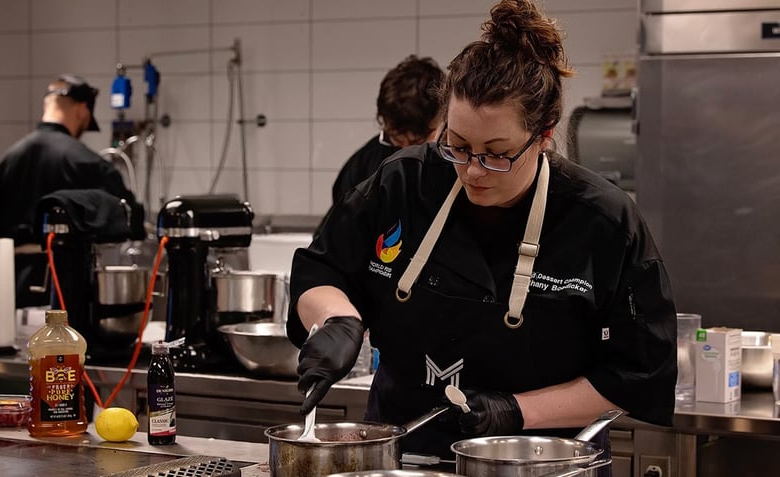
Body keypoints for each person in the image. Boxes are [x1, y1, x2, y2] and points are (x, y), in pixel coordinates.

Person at [287, 0, 676, 469]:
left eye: (497, 154)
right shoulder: (404, 183)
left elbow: (637, 373)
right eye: (456, 146)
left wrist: (515, 411)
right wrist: (337, 321)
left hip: (540, 461)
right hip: (402, 453)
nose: (471, 171)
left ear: (545, 135)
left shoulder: (603, 221)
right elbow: (322, 268)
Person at [0, 74, 139, 308]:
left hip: (11, 285)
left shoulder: (9, 160)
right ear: (81, 110)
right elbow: (129, 219)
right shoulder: (88, 164)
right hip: (64, 284)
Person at [331, 55, 445, 204]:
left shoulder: (460, 164)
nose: (405, 151)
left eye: (416, 142)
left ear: (443, 118)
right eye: (396, 140)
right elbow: (343, 223)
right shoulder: (361, 168)